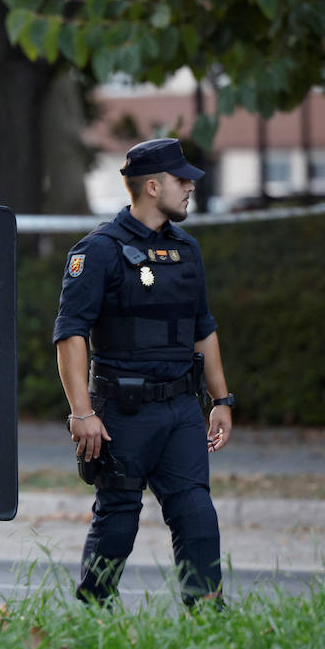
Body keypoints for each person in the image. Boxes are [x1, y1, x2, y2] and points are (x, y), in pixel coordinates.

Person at [53, 138, 234, 608]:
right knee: (118, 518)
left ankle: (209, 620)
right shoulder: (98, 252)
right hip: (122, 414)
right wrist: (81, 413)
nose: (191, 186)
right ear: (153, 187)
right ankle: (93, 614)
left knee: (197, 514)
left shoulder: (187, 250)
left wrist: (222, 400)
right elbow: (70, 334)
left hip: (180, 409)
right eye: (182, 180)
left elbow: (204, 329)